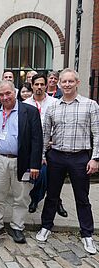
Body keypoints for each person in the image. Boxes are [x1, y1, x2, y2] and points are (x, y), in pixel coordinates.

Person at [36, 69, 99, 254]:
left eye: (71, 81)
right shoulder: (53, 106)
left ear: (77, 83)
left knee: (82, 198)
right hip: (56, 156)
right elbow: (46, 134)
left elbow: (97, 134)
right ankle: (46, 227)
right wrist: (42, 156)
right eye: (64, 81)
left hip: (80, 157)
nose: (67, 84)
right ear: (58, 83)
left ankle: (87, 235)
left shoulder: (90, 105)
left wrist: (95, 158)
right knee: (52, 195)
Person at [0, 80, 43, 244]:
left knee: (21, 197)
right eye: (1, 94)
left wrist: (35, 165)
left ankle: (17, 227)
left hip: (21, 161)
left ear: (14, 92)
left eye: (7, 93)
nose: (4, 97)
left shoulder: (29, 111)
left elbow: (37, 140)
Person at [23, 73, 67, 216]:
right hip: (33, 147)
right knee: (40, 174)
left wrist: (53, 139)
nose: (39, 87)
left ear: (46, 86)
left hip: (51, 145)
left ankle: (57, 201)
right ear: (32, 85)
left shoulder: (55, 103)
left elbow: (60, 124)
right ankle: (35, 199)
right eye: (37, 84)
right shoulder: (25, 105)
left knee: (55, 176)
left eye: (42, 84)